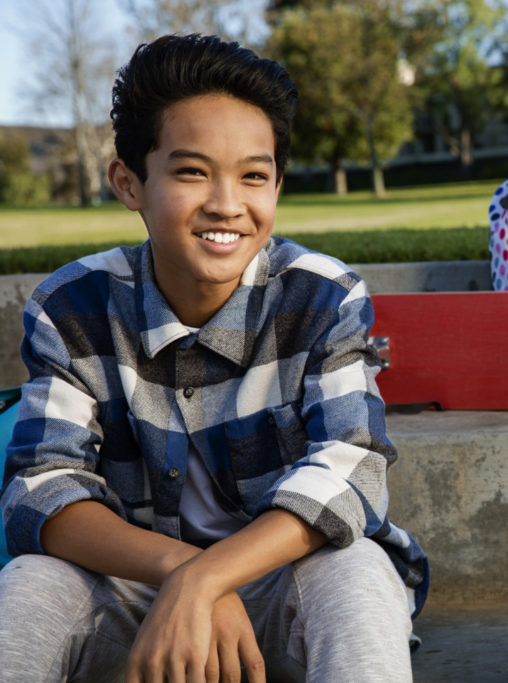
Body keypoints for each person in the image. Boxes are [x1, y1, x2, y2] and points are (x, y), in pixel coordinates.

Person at [0, 34, 426, 682]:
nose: (227, 203)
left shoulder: (323, 297)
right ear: (129, 182)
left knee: (359, 567)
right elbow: (42, 488)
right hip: (139, 592)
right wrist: (186, 575)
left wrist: (213, 577)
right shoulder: (72, 306)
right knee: (33, 580)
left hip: (283, 585)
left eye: (254, 175)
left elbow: (350, 471)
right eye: (192, 171)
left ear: (278, 185)